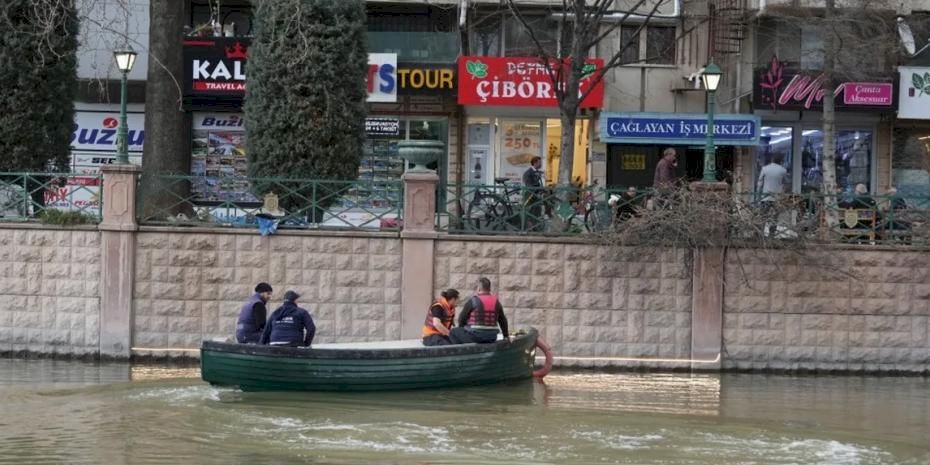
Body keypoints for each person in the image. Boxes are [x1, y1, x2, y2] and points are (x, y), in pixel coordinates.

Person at [449, 278, 509, 344]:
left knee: (453, 332)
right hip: (491, 337)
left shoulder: (473, 301)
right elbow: (503, 320)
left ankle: (462, 353)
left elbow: (462, 318)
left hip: (475, 336)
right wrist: (506, 336)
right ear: (489, 289)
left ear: (479, 289)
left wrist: (462, 328)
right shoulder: (496, 302)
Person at [757, 153, 789, 237]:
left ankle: (760, 234)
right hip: (776, 198)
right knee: (775, 217)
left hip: (765, 197)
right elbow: (786, 183)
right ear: (781, 160)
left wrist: (758, 195)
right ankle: (772, 235)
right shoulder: (783, 170)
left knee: (763, 216)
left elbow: (760, 183)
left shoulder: (765, 169)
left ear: (772, 159)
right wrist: (783, 193)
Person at [522, 156, 544, 231]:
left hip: (536, 194)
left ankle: (535, 226)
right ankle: (527, 227)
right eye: (540, 162)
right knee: (529, 210)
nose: (541, 164)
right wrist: (535, 189)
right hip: (530, 194)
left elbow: (538, 183)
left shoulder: (538, 172)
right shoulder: (528, 172)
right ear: (535, 163)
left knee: (537, 210)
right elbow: (528, 184)